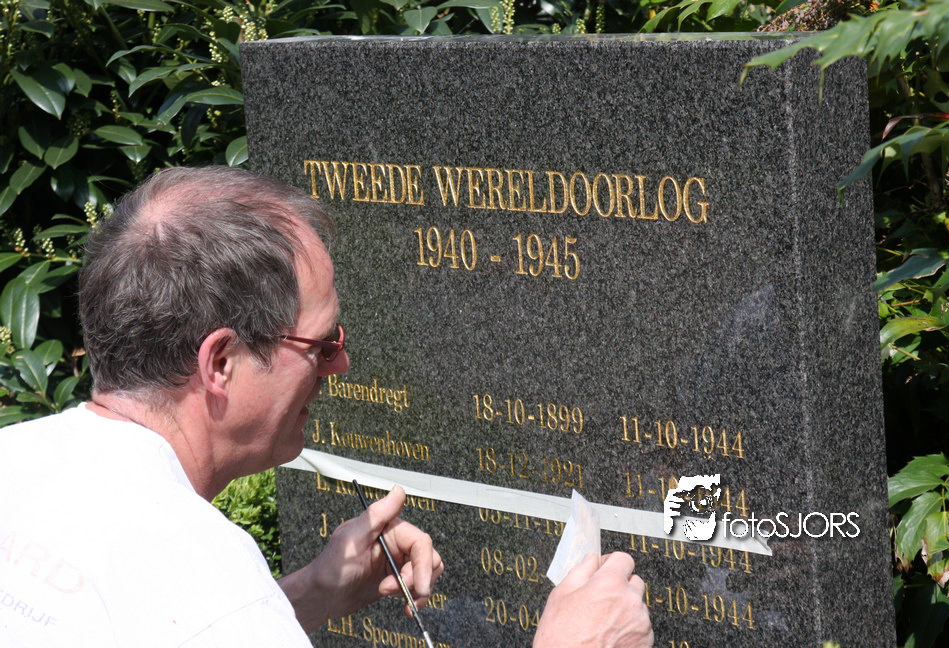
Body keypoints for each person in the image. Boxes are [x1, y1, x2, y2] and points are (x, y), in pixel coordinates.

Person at [0, 166, 653, 647]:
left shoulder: (17, 460)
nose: (340, 365)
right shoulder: (206, 583)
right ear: (220, 363)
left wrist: (305, 596)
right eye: (321, 345)